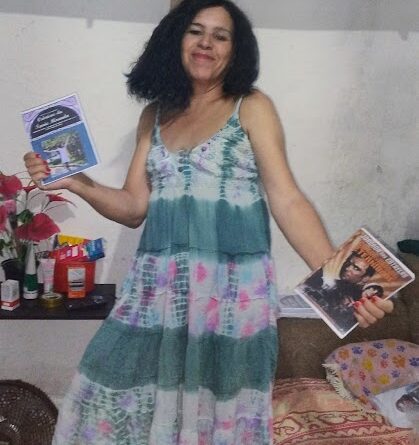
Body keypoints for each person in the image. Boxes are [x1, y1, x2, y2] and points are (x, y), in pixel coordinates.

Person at [23, 1, 394, 443]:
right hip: (157, 293)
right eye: (196, 31)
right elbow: (133, 207)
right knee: (107, 388)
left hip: (231, 297)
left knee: (219, 413)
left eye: (221, 36)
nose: (206, 43)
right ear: (176, 39)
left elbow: (287, 199)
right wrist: (77, 182)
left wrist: (340, 287)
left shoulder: (251, 107)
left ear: (235, 51)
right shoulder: (154, 115)